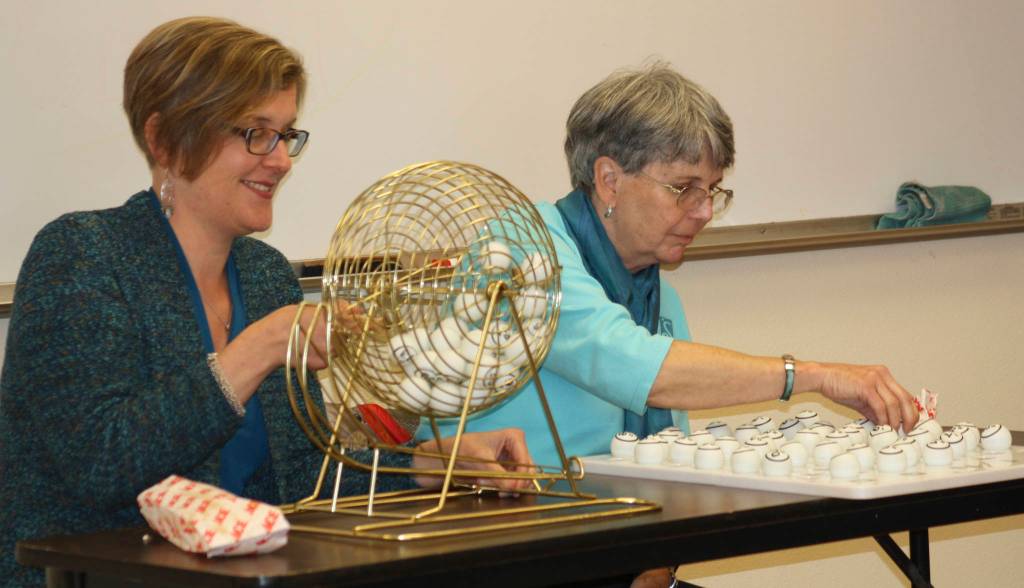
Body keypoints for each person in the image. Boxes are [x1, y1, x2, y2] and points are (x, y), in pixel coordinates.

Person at [0, 17, 530, 586]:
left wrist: (438, 462)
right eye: (255, 133)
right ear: (164, 140)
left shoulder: (264, 275)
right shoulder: (83, 254)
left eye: (286, 134)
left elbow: (302, 478)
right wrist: (260, 347)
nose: (280, 160)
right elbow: (99, 465)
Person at [421, 62, 920, 470]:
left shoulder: (656, 290)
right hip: (504, 542)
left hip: (610, 545)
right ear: (610, 180)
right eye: (685, 189)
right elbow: (637, 368)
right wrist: (811, 375)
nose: (704, 212)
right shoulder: (520, 248)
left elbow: (668, 453)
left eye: (713, 191)